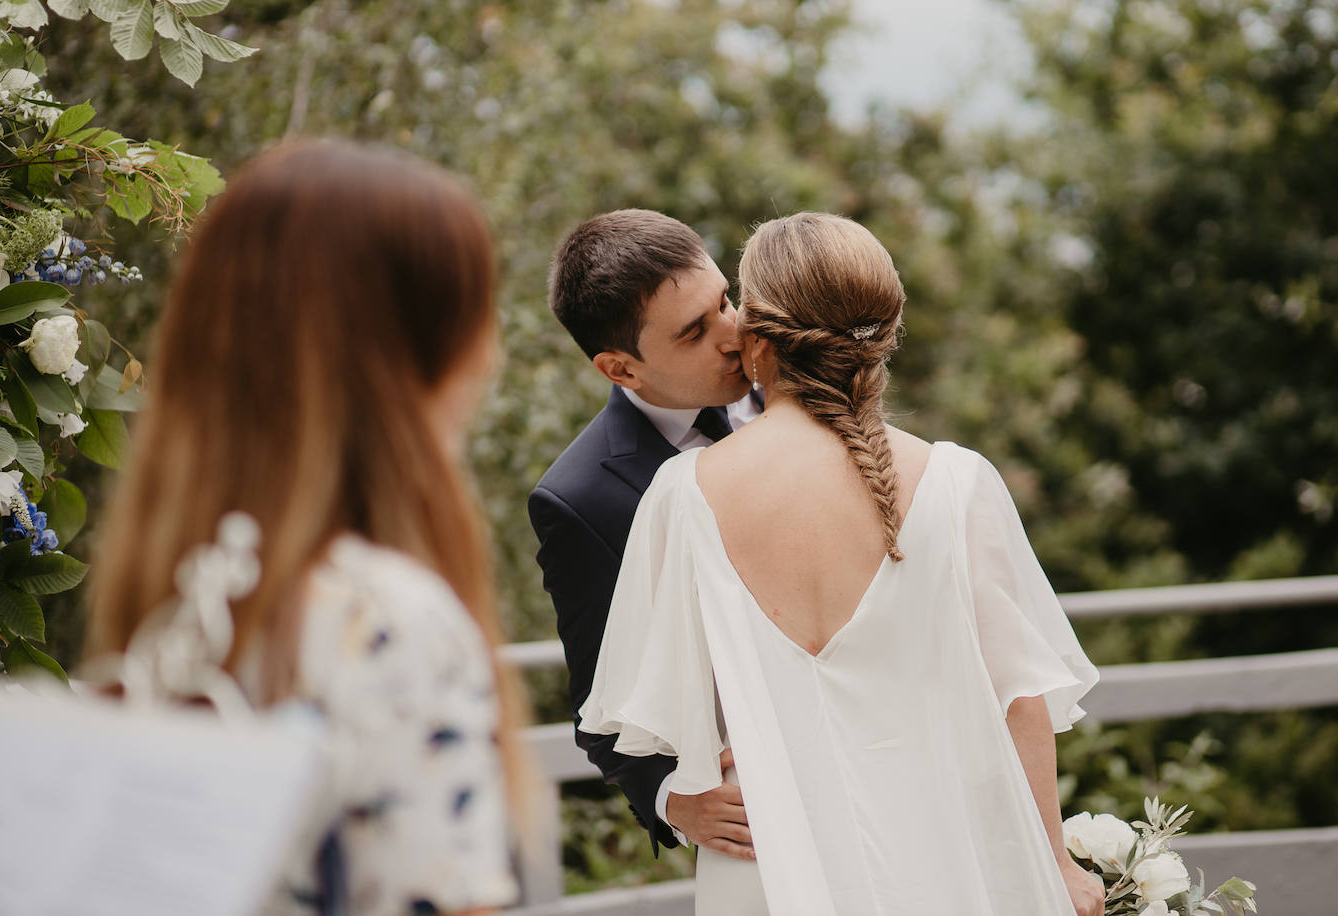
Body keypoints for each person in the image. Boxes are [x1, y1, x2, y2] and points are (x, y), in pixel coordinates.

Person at [579, 213, 1106, 915]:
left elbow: (658, 705)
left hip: (769, 868)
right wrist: (1055, 864)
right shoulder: (959, 482)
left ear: (759, 341)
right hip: (943, 860)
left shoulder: (682, 494)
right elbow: (1020, 703)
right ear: (884, 336)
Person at [85, 140, 522, 916]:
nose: (490, 359)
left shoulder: (172, 620)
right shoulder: (386, 623)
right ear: (408, 359)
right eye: (473, 320)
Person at [528, 210, 761, 862]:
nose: (733, 332)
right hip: (753, 804)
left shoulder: (796, 384)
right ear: (620, 369)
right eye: (694, 331)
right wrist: (673, 801)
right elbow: (597, 704)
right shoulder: (579, 501)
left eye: (724, 300)